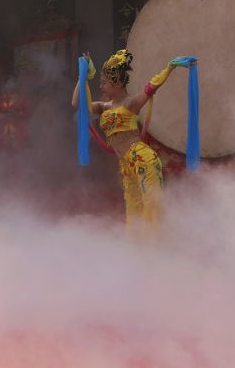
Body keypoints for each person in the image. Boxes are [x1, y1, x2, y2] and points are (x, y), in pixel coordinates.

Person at [71, 49, 184, 234]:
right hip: (126, 166)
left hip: (143, 159)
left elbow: (151, 87)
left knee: (152, 206)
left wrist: (169, 68)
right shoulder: (103, 107)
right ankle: (138, 248)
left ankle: (158, 246)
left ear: (117, 82)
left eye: (104, 82)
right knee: (134, 212)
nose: (101, 86)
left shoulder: (130, 104)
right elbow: (77, 104)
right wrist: (83, 76)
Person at [0, 75, 31, 153]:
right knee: (4, 149)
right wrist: (1, 115)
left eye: (12, 82)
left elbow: (27, 113)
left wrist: (16, 114)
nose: (10, 85)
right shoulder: (1, 98)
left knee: (18, 149)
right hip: (4, 129)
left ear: (16, 84)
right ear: (5, 85)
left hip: (18, 129)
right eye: (8, 83)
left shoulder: (22, 97)